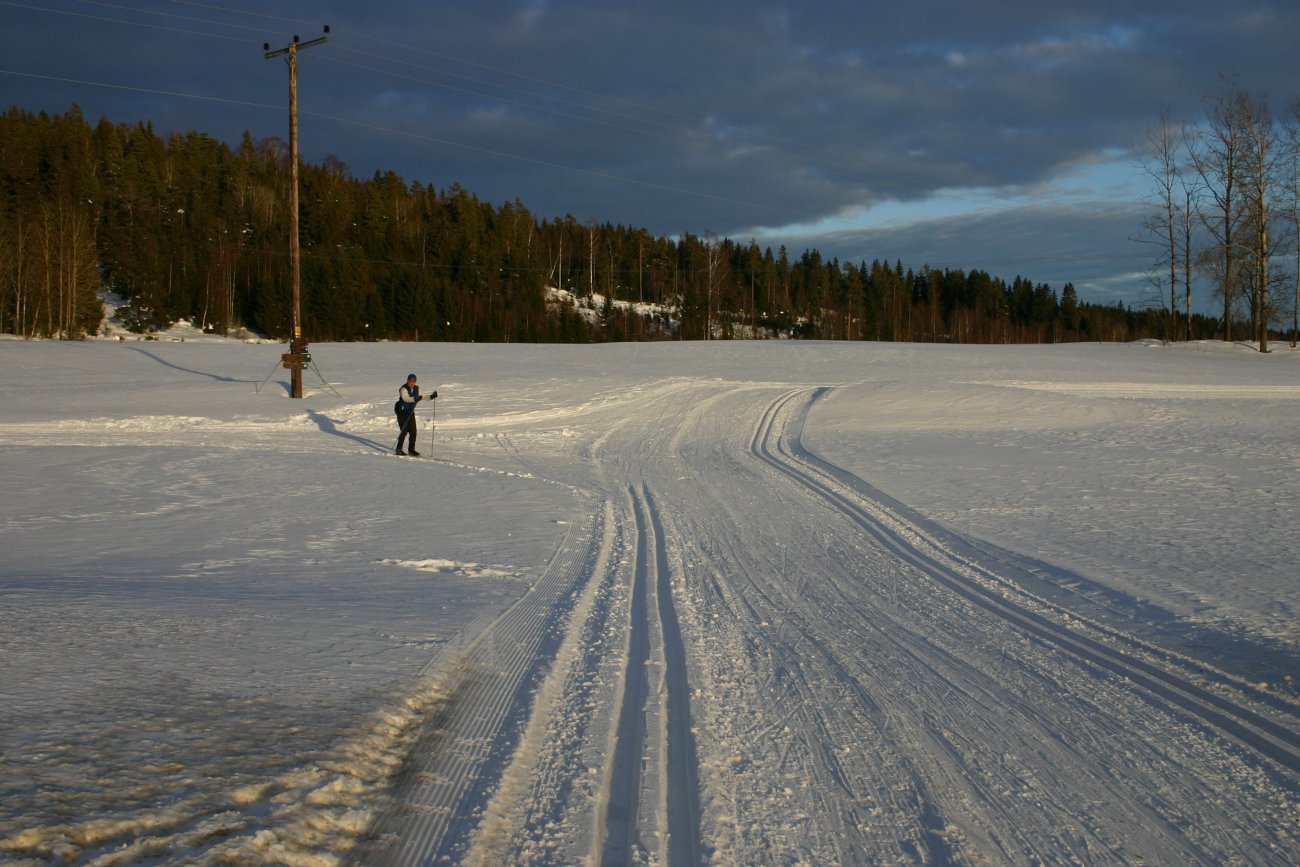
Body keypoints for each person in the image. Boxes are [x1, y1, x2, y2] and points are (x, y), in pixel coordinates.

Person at [394, 373, 435, 455]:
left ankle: (411, 450)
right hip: (401, 411)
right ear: (407, 380)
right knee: (404, 431)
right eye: (410, 381)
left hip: (410, 411)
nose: (412, 382)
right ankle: (399, 449)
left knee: (413, 431)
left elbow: (423, 396)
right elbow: (406, 399)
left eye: (413, 381)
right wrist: (415, 398)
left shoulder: (417, 388)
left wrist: (431, 397)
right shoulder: (403, 389)